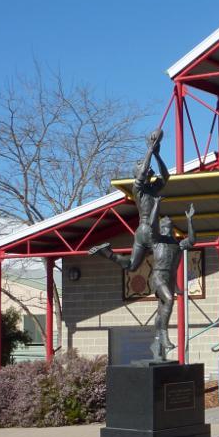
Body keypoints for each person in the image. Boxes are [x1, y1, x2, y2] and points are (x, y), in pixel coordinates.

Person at [88, 129, 169, 271]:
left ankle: (108, 253)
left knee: (132, 266)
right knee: (168, 253)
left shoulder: (152, 188)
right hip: (149, 229)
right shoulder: (138, 188)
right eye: (140, 163)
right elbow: (143, 172)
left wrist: (157, 155)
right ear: (137, 173)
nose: (144, 164)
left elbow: (166, 175)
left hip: (141, 233)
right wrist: (150, 150)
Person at [150, 204, 196, 360]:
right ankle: (164, 335)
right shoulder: (156, 241)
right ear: (161, 227)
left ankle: (156, 344)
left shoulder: (176, 244)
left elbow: (192, 240)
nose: (168, 229)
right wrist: (156, 205)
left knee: (161, 310)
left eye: (170, 226)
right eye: (165, 226)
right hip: (158, 276)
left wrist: (189, 220)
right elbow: (151, 225)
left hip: (170, 278)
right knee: (169, 300)